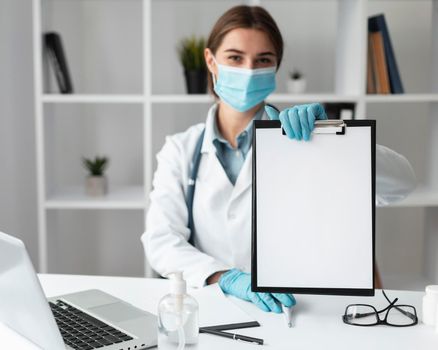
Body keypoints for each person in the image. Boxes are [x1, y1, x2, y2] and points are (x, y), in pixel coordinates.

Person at [141, 5, 416, 314]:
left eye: (263, 60)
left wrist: (336, 143)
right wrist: (226, 277)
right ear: (211, 61)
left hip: (297, 310)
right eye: (235, 57)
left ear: (275, 68)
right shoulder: (181, 150)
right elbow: (161, 241)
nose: (248, 70)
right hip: (216, 307)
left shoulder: (305, 139)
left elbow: (402, 184)